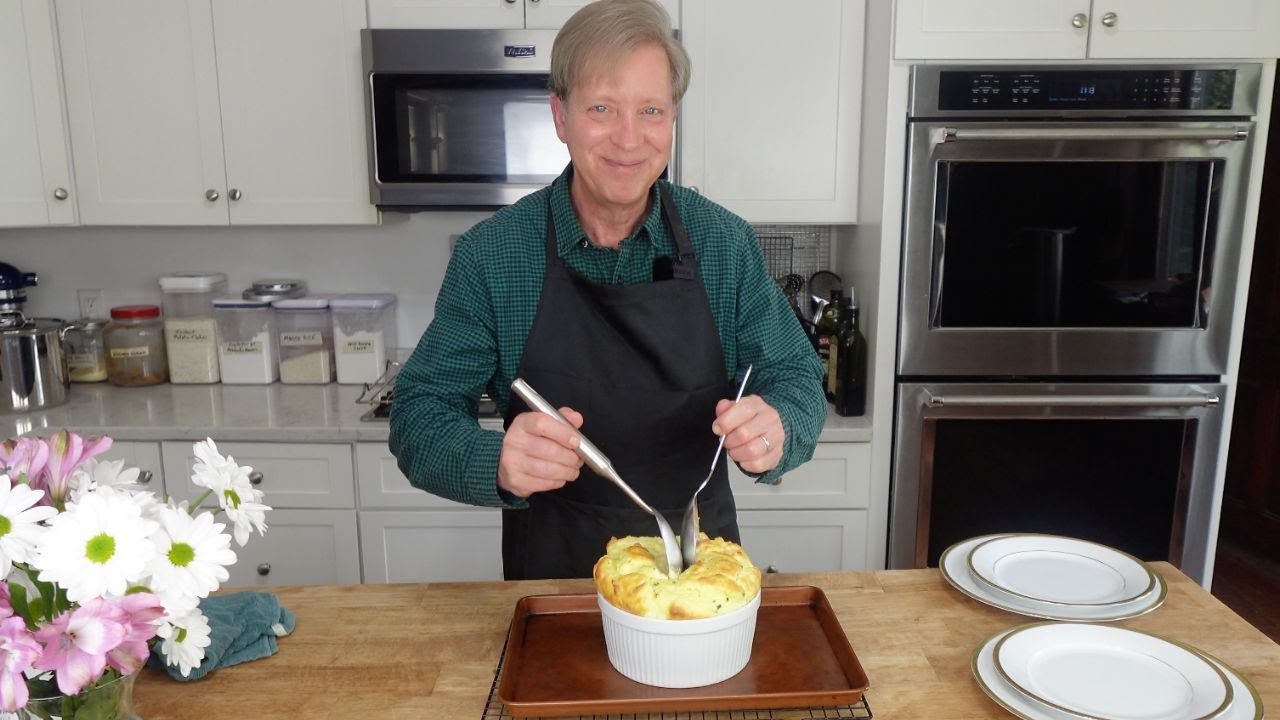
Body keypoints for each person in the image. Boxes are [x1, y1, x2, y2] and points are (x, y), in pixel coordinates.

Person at [388, 0, 826, 580]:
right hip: (554, 578)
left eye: (650, 109)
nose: (629, 137)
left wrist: (780, 428)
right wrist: (493, 460)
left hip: (698, 577)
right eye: (601, 108)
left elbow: (797, 378)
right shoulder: (493, 257)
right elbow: (419, 414)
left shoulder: (724, 244)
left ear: (672, 119)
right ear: (561, 118)